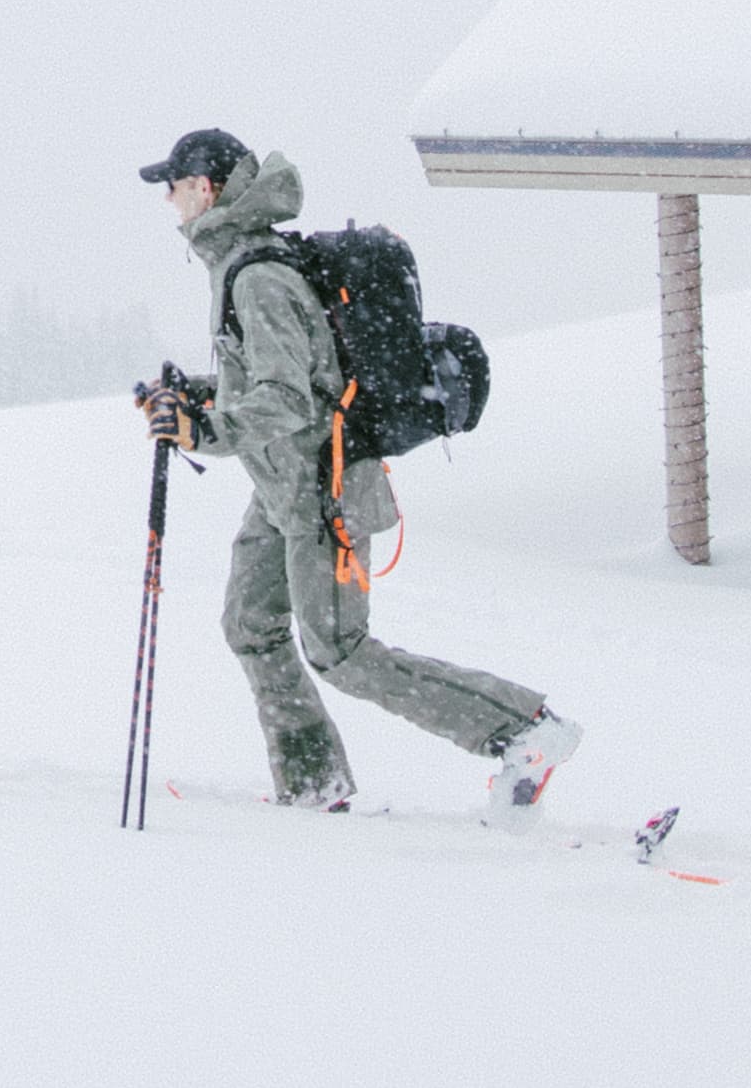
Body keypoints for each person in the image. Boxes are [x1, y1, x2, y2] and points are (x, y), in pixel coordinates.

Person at [133, 129, 577, 817]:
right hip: (280, 487)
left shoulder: (259, 278)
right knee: (250, 623)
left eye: (176, 183)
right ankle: (315, 784)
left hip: (321, 489)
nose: (168, 197)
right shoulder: (240, 266)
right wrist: (189, 394)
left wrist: (207, 429)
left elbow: (285, 400)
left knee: (342, 651)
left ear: (209, 188)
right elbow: (271, 378)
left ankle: (524, 731)